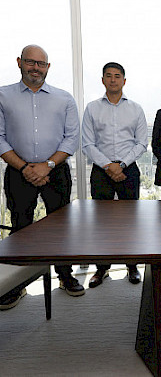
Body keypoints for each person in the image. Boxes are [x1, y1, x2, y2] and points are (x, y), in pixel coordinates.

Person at [0, 44, 84, 310]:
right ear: (19, 62)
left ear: (48, 67)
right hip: (17, 171)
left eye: (41, 64)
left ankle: (65, 275)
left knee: (60, 227)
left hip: (55, 171)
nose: (35, 68)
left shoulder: (64, 98)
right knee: (21, 227)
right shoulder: (3, 96)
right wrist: (25, 168)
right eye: (30, 62)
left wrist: (47, 165)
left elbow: (72, 137)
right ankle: (17, 284)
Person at [82, 62, 148, 289]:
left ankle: (132, 265)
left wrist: (121, 165)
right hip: (101, 171)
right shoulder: (91, 108)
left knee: (130, 221)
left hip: (128, 169)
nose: (113, 80)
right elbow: (87, 144)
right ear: (102, 80)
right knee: (102, 222)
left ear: (124, 81)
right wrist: (109, 165)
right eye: (108, 76)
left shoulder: (136, 109)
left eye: (117, 76)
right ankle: (102, 268)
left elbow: (142, 143)